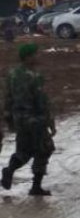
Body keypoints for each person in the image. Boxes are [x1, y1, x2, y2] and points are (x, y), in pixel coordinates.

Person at [1, 43, 56, 196]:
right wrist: (50, 122)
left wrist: (8, 118)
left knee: (24, 151)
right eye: (35, 54)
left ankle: (9, 170)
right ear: (27, 57)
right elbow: (41, 101)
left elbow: (7, 98)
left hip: (19, 119)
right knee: (45, 148)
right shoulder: (35, 76)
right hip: (35, 120)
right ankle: (36, 186)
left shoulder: (12, 74)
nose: (37, 57)